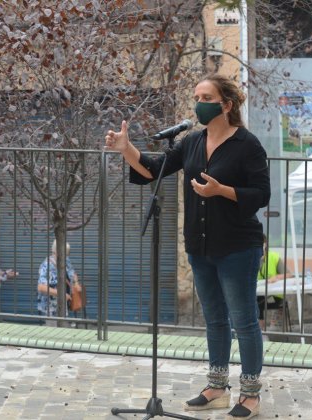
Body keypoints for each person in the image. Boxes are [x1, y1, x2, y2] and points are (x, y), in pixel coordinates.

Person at [105, 74, 270, 419]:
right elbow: (152, 169)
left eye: (206, 96)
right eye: (196, 95)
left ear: (226, 104)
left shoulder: (247, 145)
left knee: (243, 320)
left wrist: (221, 190)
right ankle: (217, 388)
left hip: (238, 245)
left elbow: (261, 194)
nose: (198, 102)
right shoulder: (192, 143)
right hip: (200, 244)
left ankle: (251, 393)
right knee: (214, 318)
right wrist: (127, 149)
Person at [37, 240, 78, 319]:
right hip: (50, 307)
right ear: (56, 251)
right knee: (52, 329)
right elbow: (41, 287)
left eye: (67, 253)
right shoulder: (46, 265)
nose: (66, 256)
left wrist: (76, 283)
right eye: (64, 253)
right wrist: (61, 294)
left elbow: (72, 273)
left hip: (63, 304)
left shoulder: (66, 261)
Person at [256, 234, 290, 330]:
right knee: (257, 302)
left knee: (260, 303)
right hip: (258, 294)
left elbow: (288, 274)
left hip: (274, 294)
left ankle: (270, 327)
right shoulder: (250, 258)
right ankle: (261, 331)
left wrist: (276, 277)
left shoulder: (274, 257)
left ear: (265, 244)